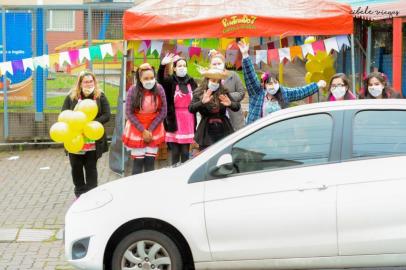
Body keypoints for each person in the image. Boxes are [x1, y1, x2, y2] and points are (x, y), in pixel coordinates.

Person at [237, 40, 326, 124]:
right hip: (257, 133)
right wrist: (245, 56)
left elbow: (300, 92)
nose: (273, 85)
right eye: (270, 83)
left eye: (275, 82)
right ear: (264, 85)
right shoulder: (257, 93)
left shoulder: (284, 93)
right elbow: (250, 76)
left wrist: (316, 85)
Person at [62, 70, 111, 198]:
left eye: (91, 81)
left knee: (91, 169)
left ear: (94, 82)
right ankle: (79, 194)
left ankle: (91, 195)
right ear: (80, 83)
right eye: (85, 82)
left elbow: (107, 115)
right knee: (76, 168)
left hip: (92, 141)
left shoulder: (100, 96)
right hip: (75, 140)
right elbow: (64, 114)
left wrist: (91, 124)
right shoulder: (71, 97)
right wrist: (77, 123)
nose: (89, 84)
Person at [122, 63, 167, 174]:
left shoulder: (159, 89)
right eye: (146, 78)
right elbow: (129, 112)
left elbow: (163, 111)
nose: (149, 80)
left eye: (152, 78)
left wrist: (150, 130)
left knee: (150, 163)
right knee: (138, 163)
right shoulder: (133, 90)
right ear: (140, 79)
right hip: (137, 129)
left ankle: (148, 189)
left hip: (154, 128)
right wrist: (143, 130)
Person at [158, 53, 198, 165]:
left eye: (184, 65)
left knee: (185, 152)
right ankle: (174, 172)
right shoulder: (170, 81)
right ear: (174, 68)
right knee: (175, 152)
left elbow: (197, 98)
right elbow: (160, 80)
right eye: (179, 66)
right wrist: (162, 66)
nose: (182, 68)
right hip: (174, 119)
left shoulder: (192, 81)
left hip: (188, 119)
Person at [189, 69, 240, 151]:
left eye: (218, 81)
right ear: (207, 79)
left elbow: (237, 107)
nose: (215, 83)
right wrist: (201, 102)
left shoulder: (223, 91)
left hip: (223, 129)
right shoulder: (199, 92)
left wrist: (230, 103)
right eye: (213, 80)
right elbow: (191, 109)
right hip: (206, 132)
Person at [209, 49, 246, 130]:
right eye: (214, 64)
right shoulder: (208, 78)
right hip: (216, 120)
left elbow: (241, 93)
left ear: (224, 63)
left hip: (234, 117)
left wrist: (227, 97)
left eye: (219, 63)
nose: (217, 65)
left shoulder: (233, 75)